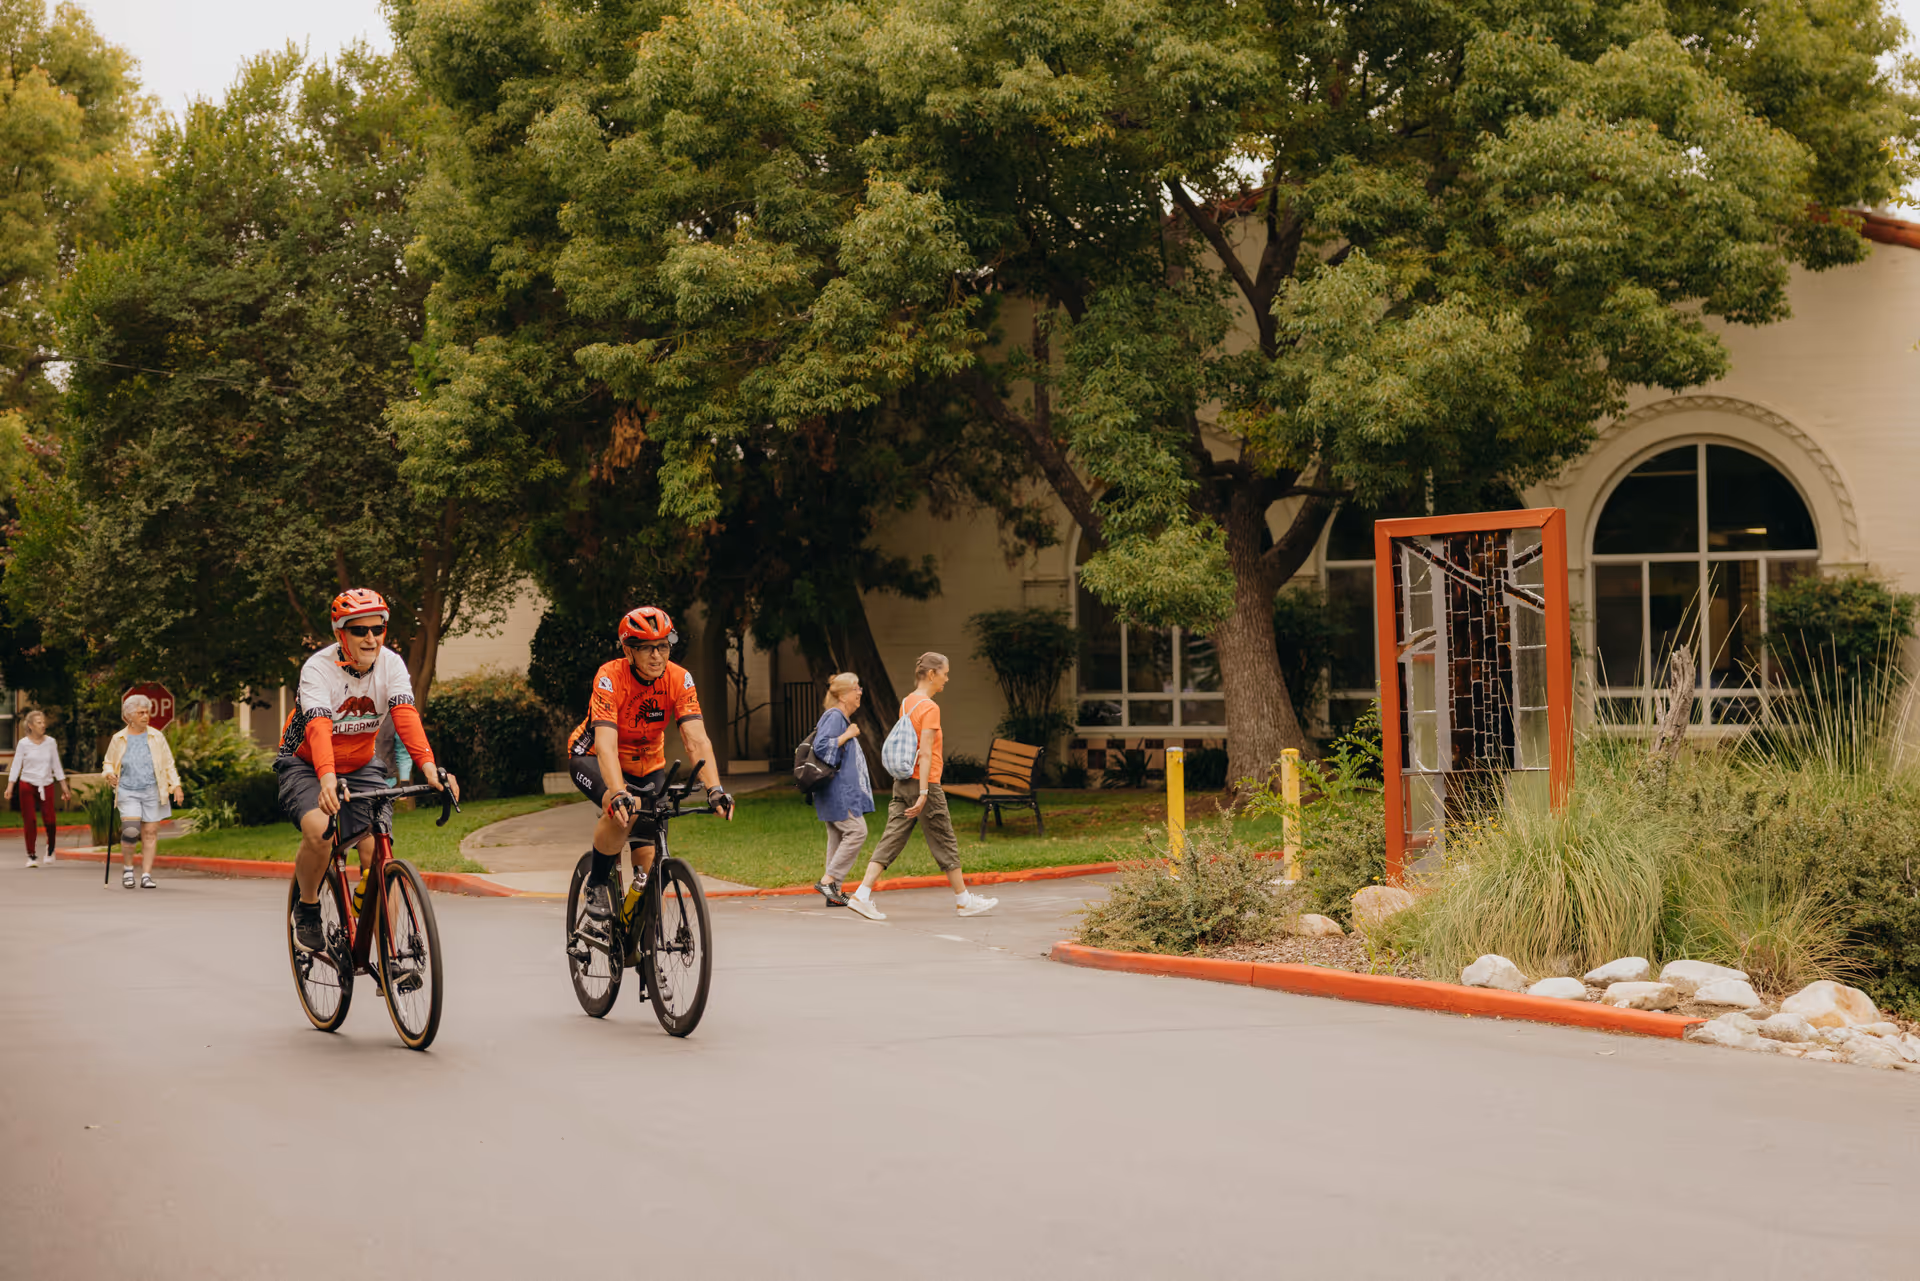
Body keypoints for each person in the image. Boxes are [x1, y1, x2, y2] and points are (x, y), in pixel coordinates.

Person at [278, 589, 457, 953]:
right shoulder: (317, 668)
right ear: (341, 634)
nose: (370, 638)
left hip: (360, 764)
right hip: (306, 762)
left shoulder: (392, 664)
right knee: (320, 832)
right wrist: (327, 779)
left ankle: (390, 957)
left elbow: (406, 718)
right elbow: (318, 726)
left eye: (377, 629)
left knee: (378, 852)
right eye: (359, 630)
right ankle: (309, 905)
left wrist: (429, 768)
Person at [567, 606, 735, 933]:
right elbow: (604, 743)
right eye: (647, 648)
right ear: (628, 650)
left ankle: (640, 936)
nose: (657, 656)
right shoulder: (609, 677)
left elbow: (696, 740)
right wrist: (617, 793)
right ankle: (597, 885)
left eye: (664, 645)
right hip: (593, 757)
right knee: (621, 813)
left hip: (648, 765)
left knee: (648, 853)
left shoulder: (678, 678)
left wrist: (715, 789)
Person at [844, 652, 997, 920]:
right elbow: (924, 752)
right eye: (945, 673)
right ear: (931, 674)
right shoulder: (929, 708)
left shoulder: (907, 702)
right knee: (945, 839)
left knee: (892, 837)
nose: (947, 679)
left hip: (902, 782)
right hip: (923, 782)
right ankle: (963, 901)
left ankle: (862, 894)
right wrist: (925, 792)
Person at [101, 695, 184, 889]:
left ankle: (146, 874)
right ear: (129, 716)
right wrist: (109, 774)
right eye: (141, 713)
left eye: (147, 712)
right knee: (130, 831)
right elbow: (108, 763)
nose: (146, 716)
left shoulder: (156, 737)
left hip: (152, 791)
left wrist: (176, 786)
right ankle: (128, 870)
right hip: (128, 790)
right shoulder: (119, 738)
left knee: (150, 832)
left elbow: (168, 764)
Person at [807, 673, 874, 906]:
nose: (860, 692)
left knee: (837, 837)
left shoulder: (839, 717)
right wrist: (848, 735)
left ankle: (833, 892)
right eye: (856, 688)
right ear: (844, 695)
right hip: (837, 791)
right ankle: (829, 880)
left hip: (836, 790)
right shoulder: (835, 717)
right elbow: (822, 746)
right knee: (857, 831)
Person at [7, 709, 70, 868]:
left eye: (44, 722)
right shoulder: (23, 744)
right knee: (30, 820)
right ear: (30, 726)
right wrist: (10, 787)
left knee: (50, 820)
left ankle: (50, 849)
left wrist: (64, 787)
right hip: (27, 783)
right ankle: (31, 855)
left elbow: (56, 765)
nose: (43, 725)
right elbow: (16, 766)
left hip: (46, 783)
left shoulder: (51, 742)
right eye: (39, 723)